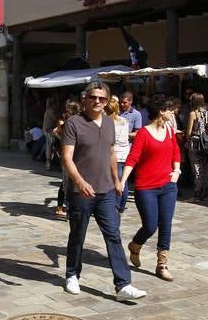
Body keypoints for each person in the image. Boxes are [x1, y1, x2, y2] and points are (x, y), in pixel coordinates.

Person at [61, 82, 146, 301]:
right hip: (81, 192)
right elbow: (67, 157)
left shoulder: (109, 123)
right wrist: (79, 181)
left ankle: (123, 285)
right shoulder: (74, 123)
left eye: (101, 98)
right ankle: (72, 274)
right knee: (78, 235)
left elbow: (110, 153)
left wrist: (117, 180)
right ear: (85, 99)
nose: (97, 101)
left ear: (107, 101)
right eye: (93, 97)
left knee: (113, 236)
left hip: (106, 190)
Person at [121, 97, 181, 282]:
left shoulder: (170, 131)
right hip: (146, 187)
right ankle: (135, 245)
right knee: (150, 225)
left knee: (166, 224)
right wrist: (122, 181)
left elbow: (175, 152)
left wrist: (177, 170)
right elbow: (133, 158)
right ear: (162, 111)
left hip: (168, 186)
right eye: (170, 110)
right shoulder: (143, 134)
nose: (173, 113)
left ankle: (162, 264)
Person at [53, 98, 81, 219]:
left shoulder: (78, 121)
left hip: (78, 156)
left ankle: (70, 207)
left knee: (72, 182)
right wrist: (60, 137)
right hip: (67, 155)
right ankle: (64, 208)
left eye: (69, 110)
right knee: (66, 183)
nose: (66, 112)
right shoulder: (64, 122)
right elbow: (57, 133)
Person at [185, 92, 208, 202]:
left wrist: (186, 140)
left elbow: (189, 131)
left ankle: (197, 194)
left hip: (195, 143)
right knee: (205, 168)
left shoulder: (193, 114)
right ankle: (205, 191)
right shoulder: (207, 113)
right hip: (205, 143)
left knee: (196, 167)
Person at [106, 95, 131, 214]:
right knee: (123, 181)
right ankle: (121, 205)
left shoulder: (108, 122)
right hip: (125, 152)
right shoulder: (124, 120)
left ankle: (116, 205)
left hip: (114, 154)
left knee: (115, 181)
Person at [42, 97, 59, 170]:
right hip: (48, 131)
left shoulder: (48, 111)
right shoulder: (50, 111)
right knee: (50, 146)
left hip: (47, 130)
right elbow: (55, 119)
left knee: (50, 146)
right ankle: (49, 161)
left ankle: (50, 161)